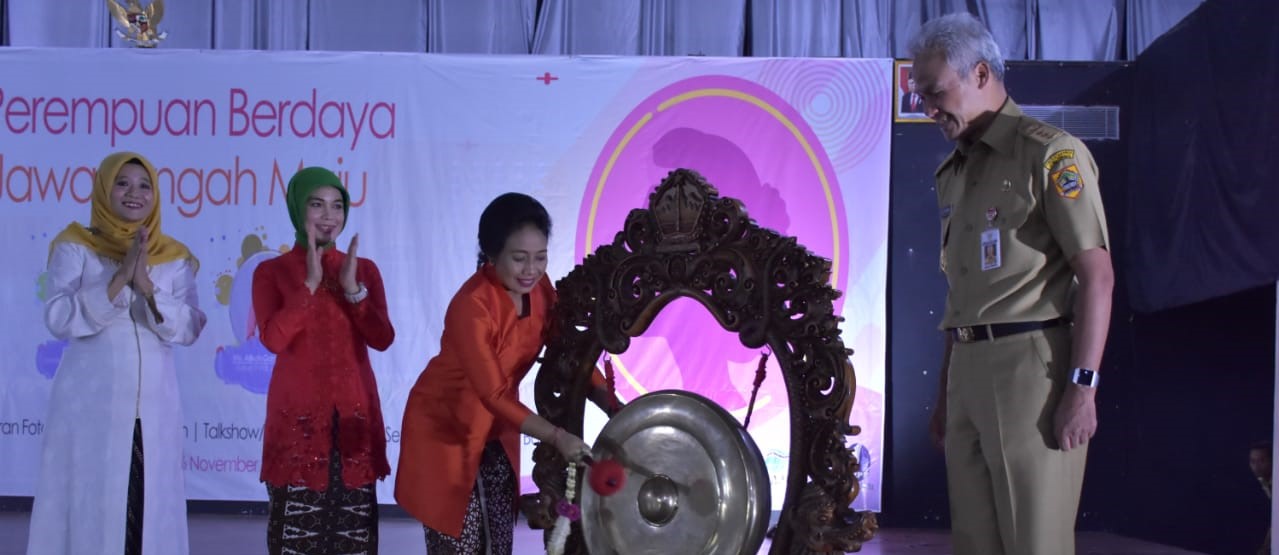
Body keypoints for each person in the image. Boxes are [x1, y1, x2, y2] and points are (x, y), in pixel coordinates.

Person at [910, 12, 1114, 555]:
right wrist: (944, 394)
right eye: (921, 97)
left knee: (1035, 543)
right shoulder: (953, 171)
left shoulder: (1049, 154)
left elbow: (1097, 276)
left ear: (980, 74)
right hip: (967, 367)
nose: (928, 110)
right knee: (974, 543)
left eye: (935, 93)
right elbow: (962, 295)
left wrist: (1083, 387)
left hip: (1032, 369)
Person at [396, 192, 620, 554]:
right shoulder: (471, 306)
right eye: (519, 258)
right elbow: (493, 393)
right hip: (445, 428)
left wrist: (610, 403)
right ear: (492, 253)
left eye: (540, 257)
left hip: (498, 428)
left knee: (499, 541)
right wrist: (557, 437)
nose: (531, 269)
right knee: (461, 543)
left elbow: (569, 353)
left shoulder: (542, 291)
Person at [27, 151, 207, 555]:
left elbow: (190, 326)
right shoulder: (76, 246)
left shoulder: (173, 257)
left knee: (147, 506)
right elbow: (58, 317)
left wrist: (146, 285)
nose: (134, 193)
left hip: (155, 408)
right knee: (92, 506)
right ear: (104, 190)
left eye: (144, 185)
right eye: (122, 183)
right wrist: (118, 278)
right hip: (89, 404)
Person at [252, 167, 395, 555]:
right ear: (298, 209)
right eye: (317, 205)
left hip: (354, 419)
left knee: (353, 538)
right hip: (297, 423)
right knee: (297, 538)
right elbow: (273, 340)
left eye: (337, 206)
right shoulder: (271, 272)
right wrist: (309, 287)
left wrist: (352, 291)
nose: (329, 216)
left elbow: (383, 338)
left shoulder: (363, 270)